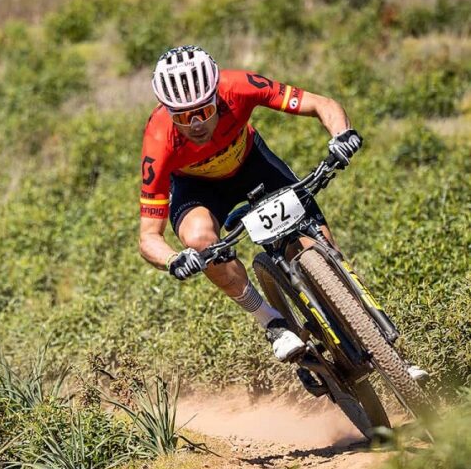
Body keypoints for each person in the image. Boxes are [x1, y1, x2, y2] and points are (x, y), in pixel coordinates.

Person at [138, 45, 364, 363]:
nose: (196, 124)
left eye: (203, 111)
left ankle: (377, 341)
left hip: (252, 164)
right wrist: (176, 259)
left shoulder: (238, 86)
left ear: (217, 96)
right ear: (167, 111)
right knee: (200, 241)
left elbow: (320, 103)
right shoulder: (159, 140)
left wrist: (342, 134)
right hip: (198, 189)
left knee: (326, 251)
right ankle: (271, 321)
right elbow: (148, 237)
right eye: (182, 117)